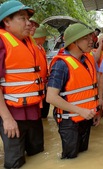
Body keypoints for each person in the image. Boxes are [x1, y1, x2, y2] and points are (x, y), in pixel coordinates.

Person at [0, 1, 44, 168]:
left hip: (32, 111)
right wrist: (6, 119)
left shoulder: (29, 42)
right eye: (22, 18)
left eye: (28, 19)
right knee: (15, 162)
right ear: (7, 21)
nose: (28, 23)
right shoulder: (1, 41)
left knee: (38, 153)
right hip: (11, 113)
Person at [46, 23, 101, 159]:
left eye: (91, 37)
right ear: (74, 42)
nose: (91, 41)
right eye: (86, 38)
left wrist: (97, 110)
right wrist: (80, 111)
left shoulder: (87, 59)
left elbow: (92, 88)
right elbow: (51, 97)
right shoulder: (61, 65)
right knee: (70, 158)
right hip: (69, 121)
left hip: (87, 117)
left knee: (83, 155)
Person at [33, 24, 51, 118]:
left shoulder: (41, 48)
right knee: (39, 112)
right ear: (39, 36)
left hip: (43, 83)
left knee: (44, 111)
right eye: (44, 36)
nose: (45, 38)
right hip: (37, 84)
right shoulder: (33, 49)